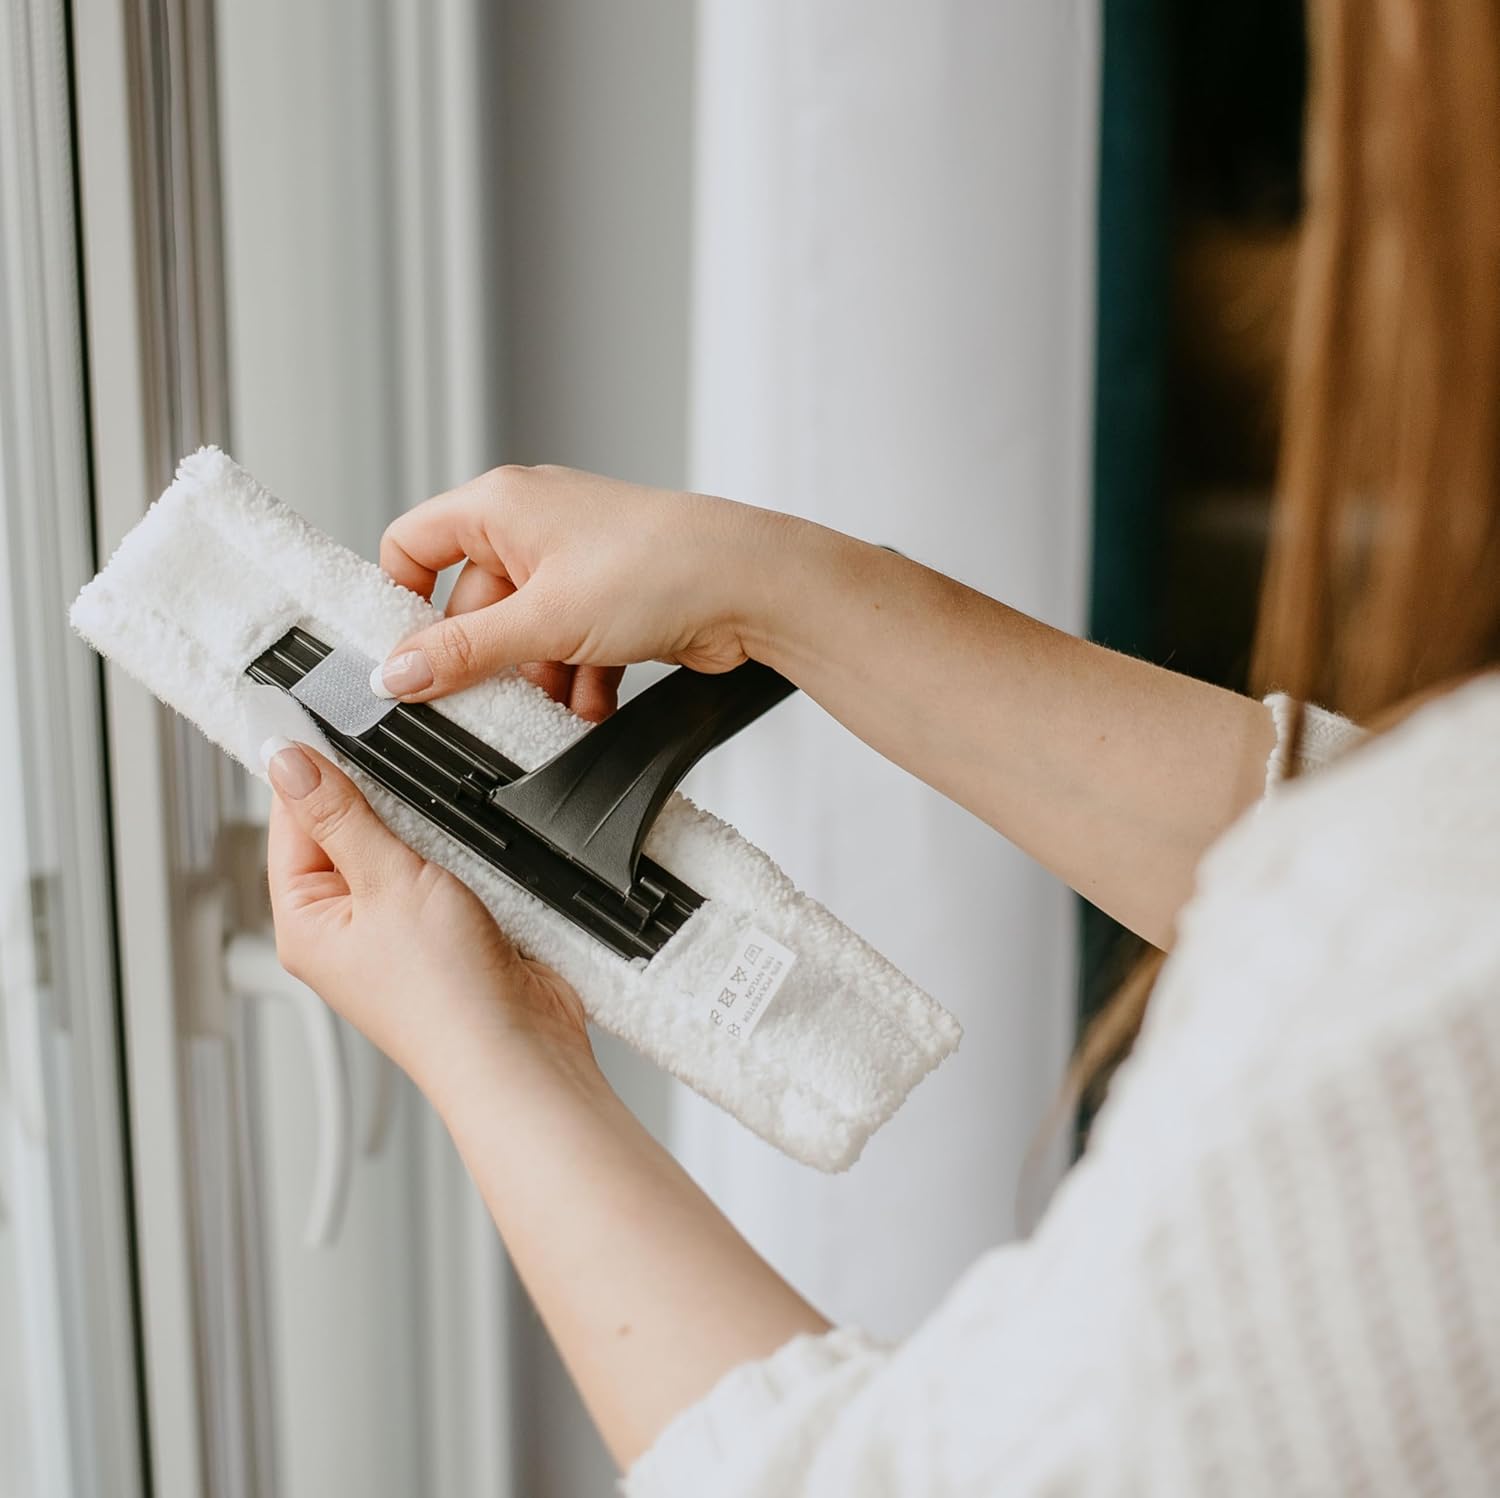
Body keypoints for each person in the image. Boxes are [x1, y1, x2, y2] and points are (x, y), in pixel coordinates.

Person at [259, 2, 1500, 1491]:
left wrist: (497, 1047)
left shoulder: (1421, 1015)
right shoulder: (1419, 902)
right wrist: (778, 589)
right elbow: (1381, 851)